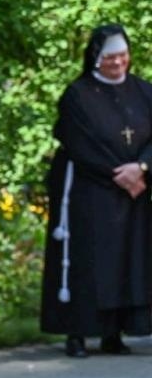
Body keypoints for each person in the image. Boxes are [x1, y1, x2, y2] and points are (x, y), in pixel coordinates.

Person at [41, 24, 152, 356]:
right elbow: (77, 141)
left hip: (134, 193)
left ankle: (113, 333)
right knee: (87, 262)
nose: (118, 63)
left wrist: (142, 168)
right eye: (110, 57)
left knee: (125, 263)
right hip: (89, 193)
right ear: (95, 58)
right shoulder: (78, 94)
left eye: (122, 55)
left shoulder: (145, 91)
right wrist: (119, 173)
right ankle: (76, 333)